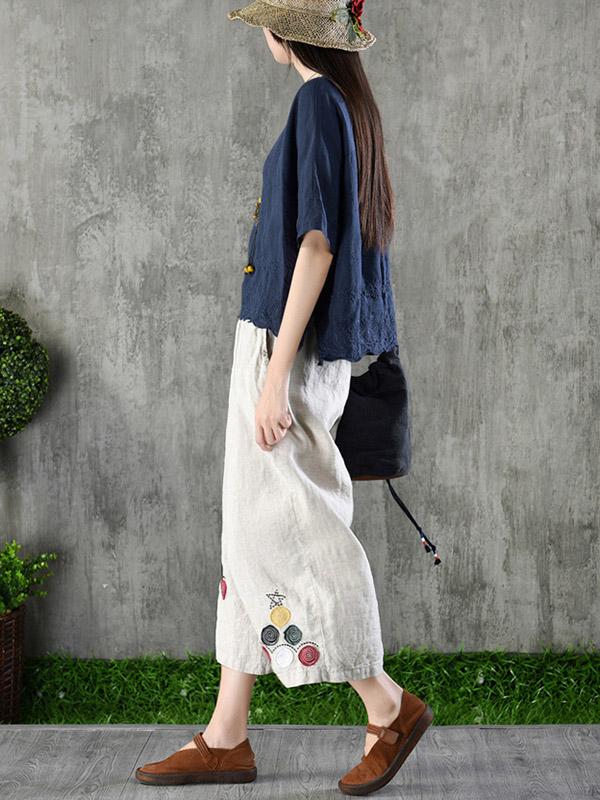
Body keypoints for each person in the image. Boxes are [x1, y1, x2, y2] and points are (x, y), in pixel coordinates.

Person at [136, 0, 433, 794]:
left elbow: (317, 243)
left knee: (297, 528)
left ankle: (387, 703)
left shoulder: (315, 103)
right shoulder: (345, 106)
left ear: (283, 31)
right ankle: (225, 735)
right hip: (290, 347)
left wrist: (274, 375)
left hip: (286, 351)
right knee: (248, 532)